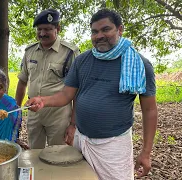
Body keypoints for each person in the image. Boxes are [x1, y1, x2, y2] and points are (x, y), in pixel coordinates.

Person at [26, 9, 158, 180]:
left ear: (120, 29)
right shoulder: (82, 60)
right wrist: (43, 100)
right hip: (81, 140)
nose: (99, 36)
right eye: (94, 31)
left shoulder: (139, 64)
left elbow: (149, 111)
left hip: (114, 145)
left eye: (106, 29)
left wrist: (146, 153)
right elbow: (66, 95)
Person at [15, 8, 80, 149]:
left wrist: (73, 124)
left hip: (59, 114)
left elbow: (76, 91)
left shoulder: (70, 53)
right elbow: (22, 82)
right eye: (39, 29)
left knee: (58, 154)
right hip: (34, 113)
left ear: (58, 29)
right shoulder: (29, 51)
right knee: (34, 153)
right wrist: (16, 110)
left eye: (47, 29)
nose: (42, 33)